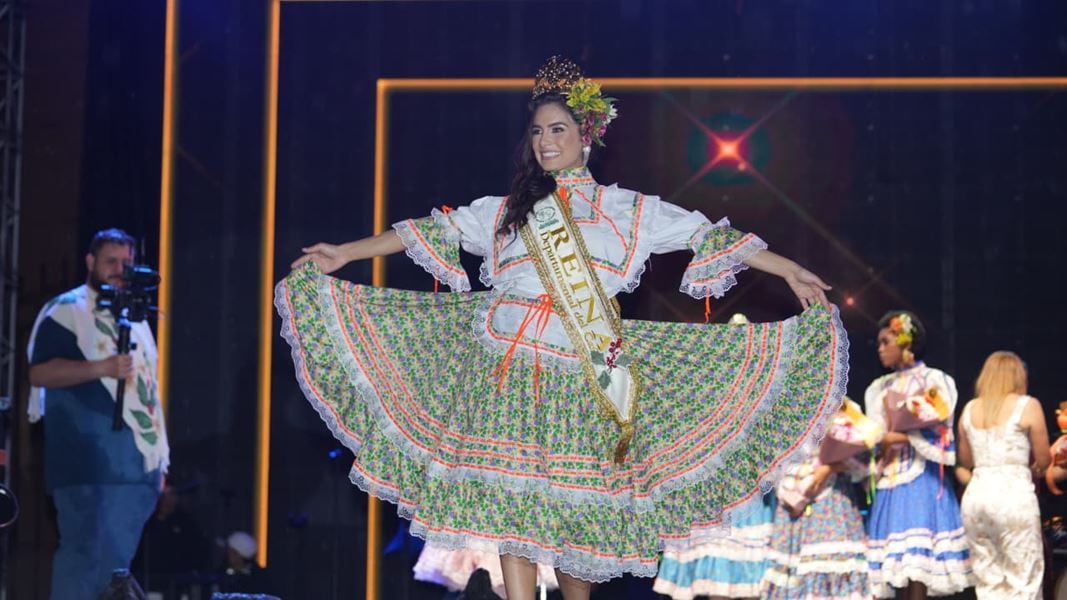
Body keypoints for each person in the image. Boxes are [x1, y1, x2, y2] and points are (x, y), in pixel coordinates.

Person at [276, 56, 848, 600]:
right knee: (510, 503)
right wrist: (344, 253)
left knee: (580, 518)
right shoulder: (507, 210)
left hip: (586, 372)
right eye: (537, 132)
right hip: (506, 363)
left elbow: (709, 237)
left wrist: (790, 268)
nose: (545, 142)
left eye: (557, 130)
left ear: (586, 135)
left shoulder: (628, 210)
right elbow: (426, 232)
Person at [27, 228, 169, 600]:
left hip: (136, 471)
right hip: (86, 466)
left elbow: (147, 394)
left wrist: (158, 464)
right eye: (110, 261)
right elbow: (39, 373)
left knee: (114, 574)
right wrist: (100, 368)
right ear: (90, 262)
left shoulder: (136, 319)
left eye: (127, 263)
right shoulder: (66, 309)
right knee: (83, 564)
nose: (120, 270)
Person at [652, 313, 776, 600]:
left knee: (753, 582)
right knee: (716, 579)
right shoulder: (705, 392)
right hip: (715, 497)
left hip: (753, 496)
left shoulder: (766, 391)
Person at [863, 311, 971, 599]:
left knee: (918, 567)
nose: (880, 348)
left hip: (922, 479)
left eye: (886, 341)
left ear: (904, 341)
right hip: (891, 481)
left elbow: (942, 427)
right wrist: (877, 439)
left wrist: (899, 435)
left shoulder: (934, 380)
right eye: (879, 343)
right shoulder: (879, 388)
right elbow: (873, 433)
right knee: (893, 565)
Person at [955, 351, 1049, 599]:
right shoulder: (1027, 405)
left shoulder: (969, 409)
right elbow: (1044, 459)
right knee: (1023, 577)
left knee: (987, 579)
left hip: (977, 499)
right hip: (1013, 498)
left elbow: (966, 461)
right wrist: (1035, 470)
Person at [760, 398, 874, 599]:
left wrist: (827, 468)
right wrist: (791, 488)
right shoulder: (786, 409)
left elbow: (864, 454)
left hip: (833, 501)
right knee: (794, 574)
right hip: (795, 503)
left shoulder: (846, 408)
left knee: (831, 567)